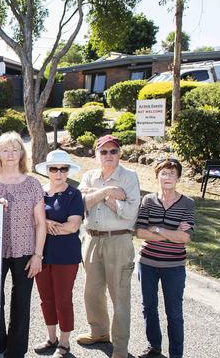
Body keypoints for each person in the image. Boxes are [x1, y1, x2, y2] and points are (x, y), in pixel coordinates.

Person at [0, 132, 46, 358]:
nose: (10, 154)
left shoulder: (32, 184)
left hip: (25, 252)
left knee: (21, 303)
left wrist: (38, 255)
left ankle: (16, 352)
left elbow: (40, 223)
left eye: (15, 149)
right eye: (5, 149)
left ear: (22, 154)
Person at [77, 135, 141, 358]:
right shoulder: (89, 176)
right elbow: (81, 203)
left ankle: (120, 347)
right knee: (92, 292)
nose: (108, 156)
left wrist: (98, 197)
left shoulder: (129, 177)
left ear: (119, 154)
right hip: (92, 239)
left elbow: (130, 212)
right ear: (96, 155)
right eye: (103, 152)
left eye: (113, 151)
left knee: (119, 294)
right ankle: (99, 333)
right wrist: (107, 193)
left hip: (119, 240)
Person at [135, 159, 194, 358]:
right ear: (157, 176)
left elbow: (185, 238)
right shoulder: (148, 200)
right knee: (148, 308)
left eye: (171, 173)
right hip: (147, 264)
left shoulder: (187, 203)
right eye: (163, 173)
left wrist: (158, 229)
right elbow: (140, 233)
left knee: (174, 314)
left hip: (174, 266)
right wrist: (172, 233)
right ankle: (154, 347)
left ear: (178, 178)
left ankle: (176, 354)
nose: (167, 177)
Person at [33, 150, 84, 358]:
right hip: (41, 253)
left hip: (66, 256)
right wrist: (46, 223)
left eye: (63, 169)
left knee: (63, 299)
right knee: (46, 298)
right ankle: (51, 338)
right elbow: (32, 221)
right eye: (54, 168)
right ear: (47, 171)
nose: (59, 173)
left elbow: (73, 226)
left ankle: (64, 343)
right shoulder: (39, 193)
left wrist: (44, 225)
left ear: (68, 171)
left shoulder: (74, 194)